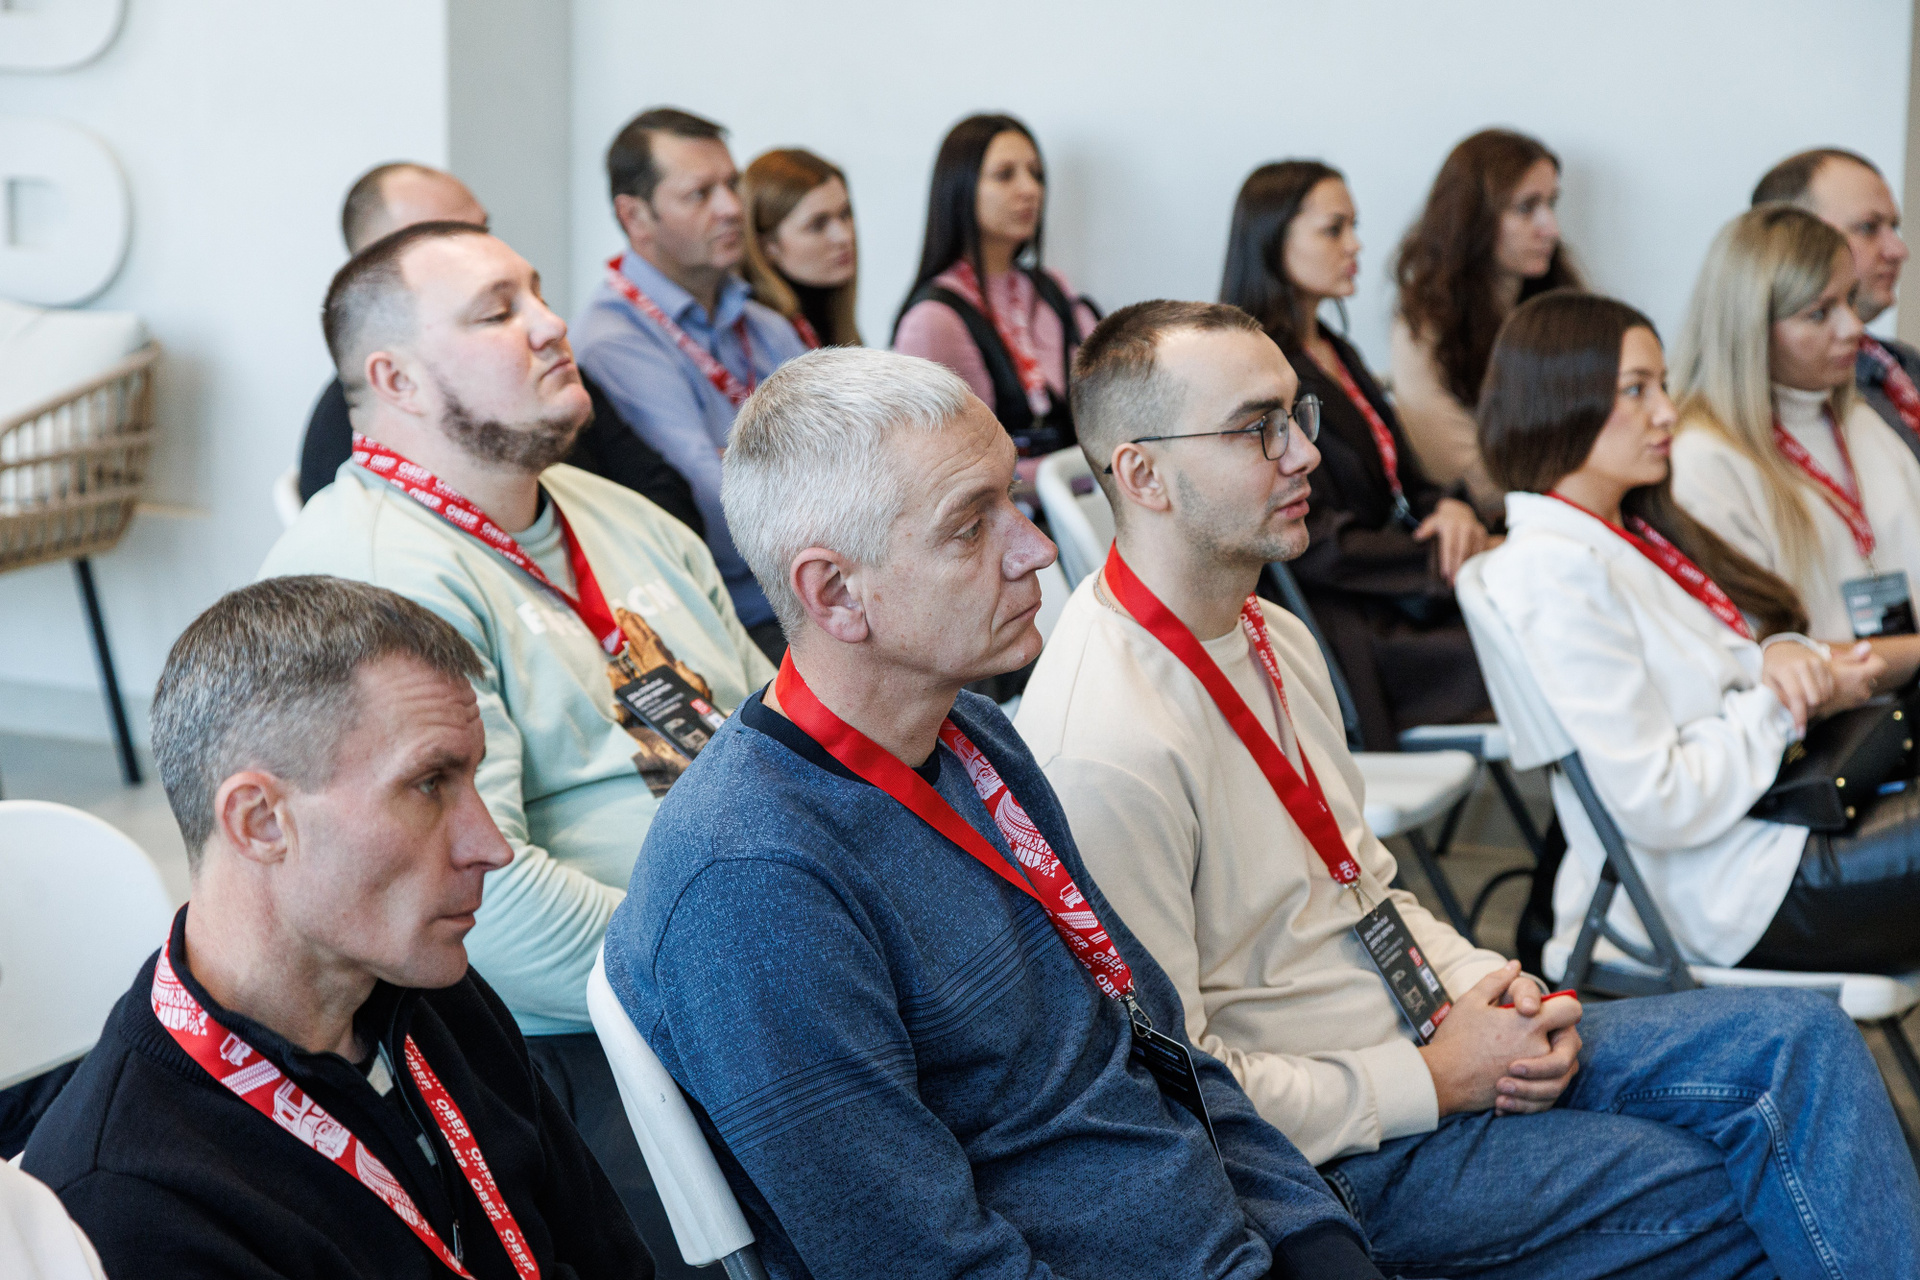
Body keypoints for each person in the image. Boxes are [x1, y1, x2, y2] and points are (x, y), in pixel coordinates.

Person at [1017, 296, 1920, 1278]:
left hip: (1428, 1039)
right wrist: (1429, 1079)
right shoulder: (1107, 745)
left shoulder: (1269, 635)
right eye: (1255, 428)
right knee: (1742, 1180)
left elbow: (1363, 884)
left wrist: (1492, 987)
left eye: (1296, 414)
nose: (1304, 452)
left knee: (1805, 1040)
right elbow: (1180, 1091)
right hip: (1334, 1158)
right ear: (1143, 474)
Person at [604, 346, 1382, 1280]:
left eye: (1013, 498)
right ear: (835, 593)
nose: (1037, 547)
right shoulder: (752, 886)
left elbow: (1162, 1045)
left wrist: (1314, 1236)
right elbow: (920, 1260)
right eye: (972, 526)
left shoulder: (973, 735)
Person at [260, 220, 775, 1278]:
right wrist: (747, 961)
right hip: (574, 1043)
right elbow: (482, 905)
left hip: (746, 962)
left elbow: (782, 740)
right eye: (498, 312)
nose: (550, 325)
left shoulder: (622, 517)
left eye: (537, 295)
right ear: (396, 379)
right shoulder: (370, 578)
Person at [21, 576, 653, 1279]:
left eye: (473, 779)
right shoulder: (130, 1206)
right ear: (261, 822)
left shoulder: (434, 989)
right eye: (429, 785)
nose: (491, 845)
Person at [1484, 290, 1920, 981]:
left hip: (1772, 828)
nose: (1667, 411)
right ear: (1559, 400)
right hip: (1722, 886)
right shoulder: (1551, 570)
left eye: (1661, 385)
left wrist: (1784, 657)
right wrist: (1784, 703)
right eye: (1637, 390)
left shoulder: (1634, 531)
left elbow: (1722, 666)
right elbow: (1657, 800)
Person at [1221, 160, 1492, 749]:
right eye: (1333, 229)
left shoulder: (1332, 348)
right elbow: (1316, 544)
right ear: (1272, 242)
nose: (1355, 245)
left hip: (1394, 591)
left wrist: (1450, 511)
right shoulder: (1254, 373)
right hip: (1350, 626)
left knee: (1544, 619)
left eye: (1354, 227)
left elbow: (1403, 477)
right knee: (1531, 642)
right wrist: (1435, 561)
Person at [298, 162, 704, 536]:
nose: (554, 325)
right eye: (441, 236)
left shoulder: (546, 370)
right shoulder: (348, 452)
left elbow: (668, 501)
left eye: (482, 230)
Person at [573, 107, 809, 661]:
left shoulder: (764, 324)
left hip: (821, 591)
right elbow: (718, 505)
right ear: (635, 217)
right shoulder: (612, 341)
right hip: (739, 623)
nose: (731, 208)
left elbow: (857, 453)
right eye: (700, 194)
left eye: (732, 184)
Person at [1671, 204, 1920, 677]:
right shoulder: (1702, 460)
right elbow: (1757, 659)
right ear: (1750, 330)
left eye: (1850, 299)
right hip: (1825, 719)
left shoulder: (1860, 423)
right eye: (1819, 313)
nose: (1853, 327)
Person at [1391, 129, 1582, 524]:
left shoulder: (1560, 299)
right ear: (1471, 218)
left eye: (1551, 204)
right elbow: (1457, 470)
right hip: (1502, 524)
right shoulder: (1423, 326)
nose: (1551, 228)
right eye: (1526, 208)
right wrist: (1577, 495)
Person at [893, 113, 1100, 470]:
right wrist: (1070, 473)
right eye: (1005, 175)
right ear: (959, 189)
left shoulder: (1053, 288)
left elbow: (1105, 405)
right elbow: (950, 470)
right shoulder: (933, 320)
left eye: (1036, 174)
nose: (1030, 189)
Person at [1753, 146, 1920, 465]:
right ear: (1796, 239)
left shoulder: (1904, 362)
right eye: (1868, 227)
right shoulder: (1758, 402)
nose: (1898, 250)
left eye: (1893, 227)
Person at [740, 147, 860, 347]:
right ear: (767, 246)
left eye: (845, 214)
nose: (844, 237)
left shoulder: (833, 320)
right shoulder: (759, 337)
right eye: (818, 225)